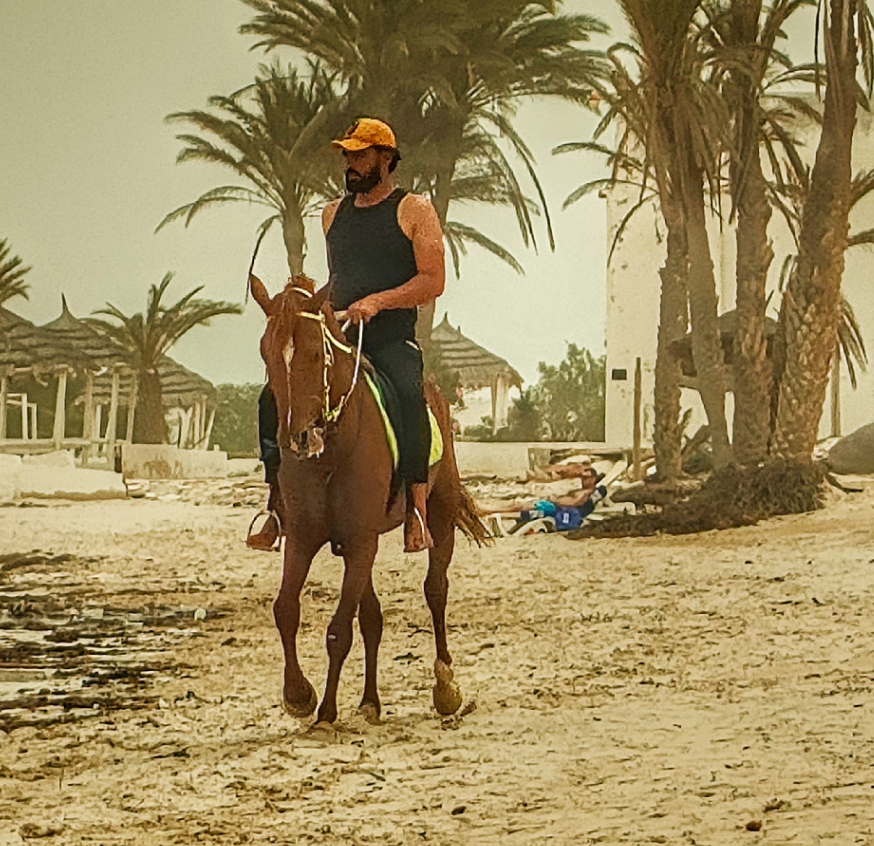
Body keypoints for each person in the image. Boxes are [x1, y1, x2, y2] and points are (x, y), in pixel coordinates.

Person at [248, 117, 445, 554]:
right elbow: (342, 277)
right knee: (270, 396)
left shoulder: (414, 210)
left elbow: (433, 280)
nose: (350, 163)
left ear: (385, 158)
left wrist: (378, 302)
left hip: (391, 336)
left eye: (359, 154)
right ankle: (276, 505)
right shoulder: (331, 214)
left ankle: (415, 511)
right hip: (338, 334)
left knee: (409, 394)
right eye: (348, 155)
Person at [479, 465, 607, 533]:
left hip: (555, 509)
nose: (583, 481)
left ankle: (492, 512)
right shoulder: (579, 491)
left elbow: (575, 503)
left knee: (521, 507)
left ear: (594, 479)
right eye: (582, 478)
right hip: (554, 506)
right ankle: (492, 511)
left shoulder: (587, 493)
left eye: (586, 478)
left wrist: (555, 501)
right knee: (519, 505)